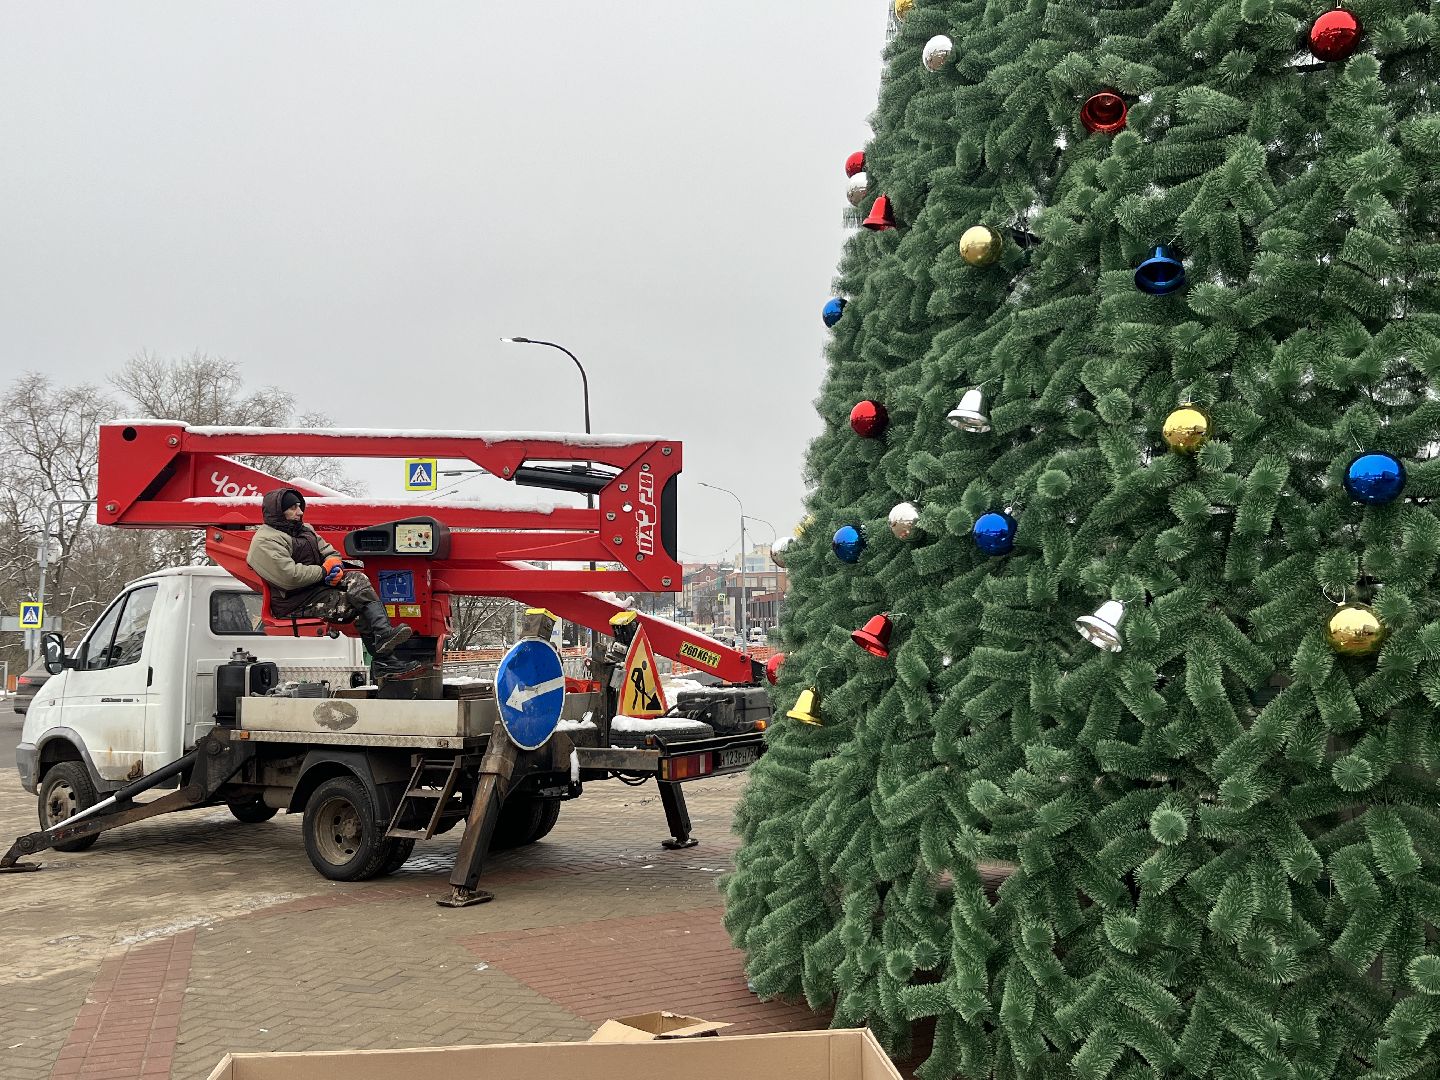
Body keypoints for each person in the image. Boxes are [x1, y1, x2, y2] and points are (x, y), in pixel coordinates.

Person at [246, 487, 423, 679]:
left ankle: (384, 634)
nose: (300, 512)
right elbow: (290, 577)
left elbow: (330, 552)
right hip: (295, 601)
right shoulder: (265, 541)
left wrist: (336, 567)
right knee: (354, 605)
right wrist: (324, 572)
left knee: (358, 579)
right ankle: (385, 661)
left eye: (300, 506)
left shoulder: (305, 530)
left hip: (316, 589)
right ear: (278, 512)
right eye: (293, 508)